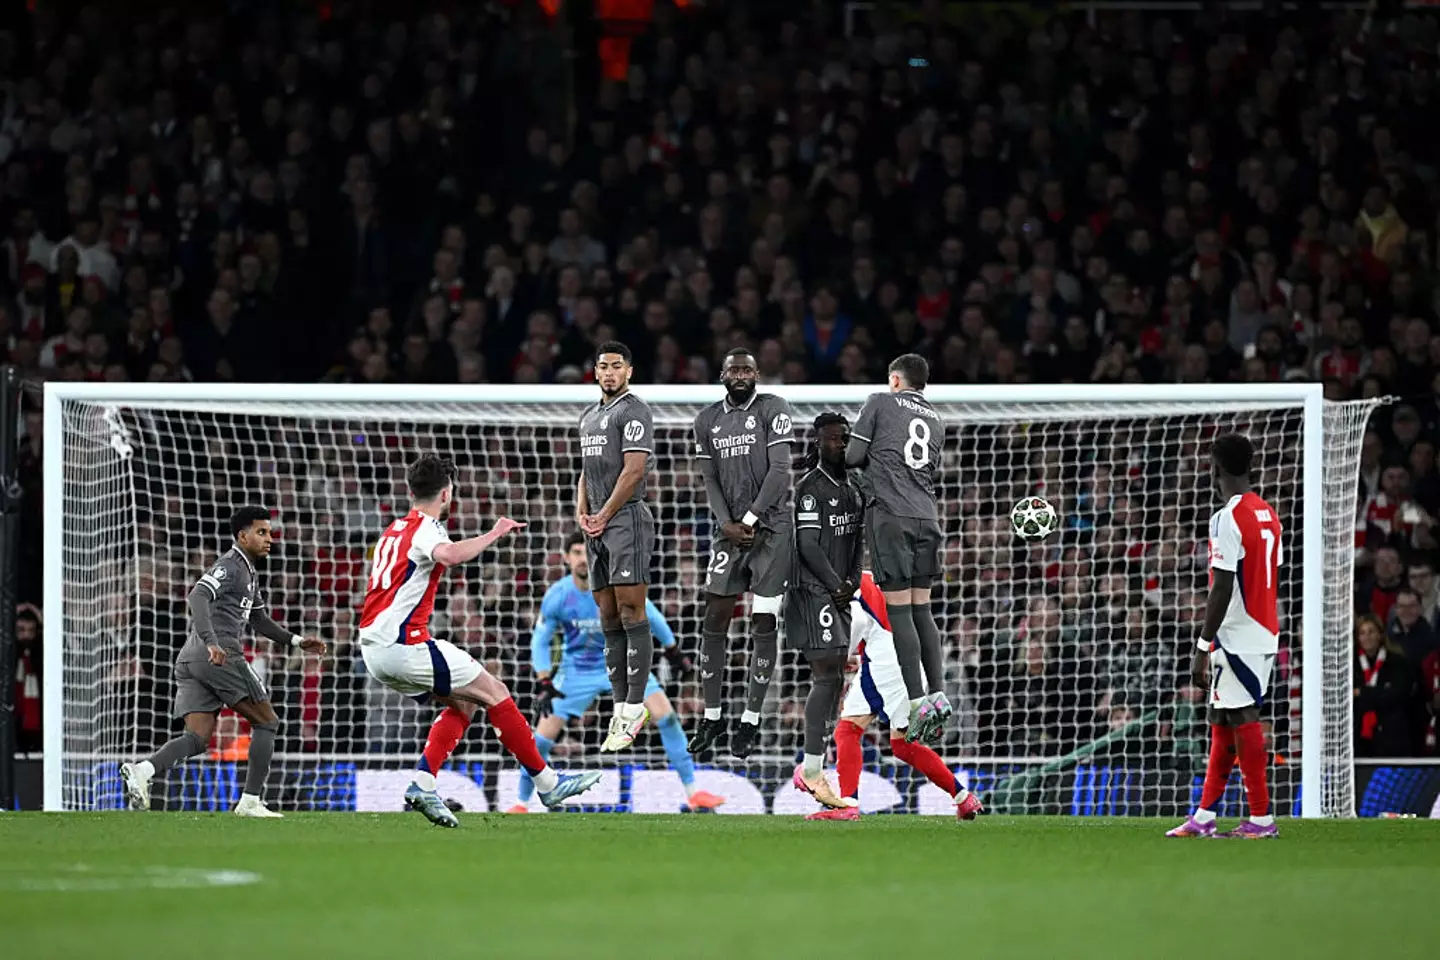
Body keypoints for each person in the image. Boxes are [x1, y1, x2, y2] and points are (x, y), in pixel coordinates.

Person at [357, 454, 600, 828]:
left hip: (374, 649)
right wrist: (495, 532)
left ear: (410, 490)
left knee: (466, 704)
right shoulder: (427, 528)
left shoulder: (394, 529)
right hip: (404, 644)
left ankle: (423, 782)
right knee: (495, 691)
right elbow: (449, 555)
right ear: (447, 493)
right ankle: (547, 783)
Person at [120, 507, 326, 818]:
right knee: (267, 721)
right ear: (242, 536)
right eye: (262, 532)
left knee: (197, 739)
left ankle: (144, 770)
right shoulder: (230, 565)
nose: (270, 538)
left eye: (270, 532)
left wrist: (296, 641)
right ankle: (251, 801)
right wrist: (213, 641)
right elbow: (197, 596)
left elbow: (260, 620)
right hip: (218, 654)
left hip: (193, 658)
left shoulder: (248, 572)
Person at [515, 532, 725, 812]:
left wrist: (673, 650)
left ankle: (693, 793)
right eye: (576, 552)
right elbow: (540, 640)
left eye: (585, 552)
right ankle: (521, 802)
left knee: (668, 718)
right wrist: (543, 679)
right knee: (540, 738)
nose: (581, 558)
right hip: (577, 670)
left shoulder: (615, 588)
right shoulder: (558, 596)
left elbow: (651, 615)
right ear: (566, 558)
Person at [1168, 433, 1282, 839]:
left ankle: (1262, 818)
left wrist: (1202, 646)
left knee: (1243, 717)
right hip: (1261, 627)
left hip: (1239, 633)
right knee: (1221, 717)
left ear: (1215, 467)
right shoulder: (1269, 514)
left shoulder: (1226, 517)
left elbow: (1222, 585)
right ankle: (1204, 816)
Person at [688, 347, 797, 759]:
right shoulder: (707, 420)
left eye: (747, 369)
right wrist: (725, 525)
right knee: (714, 616)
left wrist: (749, 520)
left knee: (763, 622)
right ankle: (713, 715)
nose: (740, 374)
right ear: (722, 374)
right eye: (733, 368)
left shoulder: (774, 408)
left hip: (770, 532)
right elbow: (709, 478)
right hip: (728, 533)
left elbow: (780, 471)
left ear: (757, 374)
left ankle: (750, 720)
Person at [808, 572, 982, 822]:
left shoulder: (847, 581)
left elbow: (856, 623)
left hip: (887, 662)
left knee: (848, 730)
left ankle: (847, 805)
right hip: (902, 658)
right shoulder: (870, 579)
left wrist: (842, 654)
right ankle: (964, 798)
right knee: (901, 745)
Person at [845, 353, 951, 743]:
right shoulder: (936, 419)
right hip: (928, 517)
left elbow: (855, 457)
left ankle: (916, 700)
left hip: (892, 517)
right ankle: (938, 693)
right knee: (923, 608)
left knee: (900, 610)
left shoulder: (880, 401)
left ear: (895, 380)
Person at [576, 340, 660, 751]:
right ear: (595, 372)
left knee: (631, 609)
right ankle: (619, 708)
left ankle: (633, 707)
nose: (609, 372)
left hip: (626, 519)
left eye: (616, 366)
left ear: (629, 371)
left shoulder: (634, 410)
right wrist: (582, 511)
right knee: (607, 615)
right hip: (596, 525)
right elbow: (586, 471)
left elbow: (634, 471)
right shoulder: (589, 416)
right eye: (603, 366)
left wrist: (604, 513)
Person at [785, 413, 862, 808]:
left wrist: (851, 584)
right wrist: (836, 585)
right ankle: (812, 769)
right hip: (812, 590)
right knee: (827, 670)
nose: (841, 445)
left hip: (840, 592)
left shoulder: (854, 486)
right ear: (818, 443)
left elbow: (857, 540)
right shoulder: (811, 489)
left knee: (834, 677)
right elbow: (809, 545)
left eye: (845, 438)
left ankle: (814, 765)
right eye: (834, 439)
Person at [1353, 614, 1419, 758]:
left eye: (1371, 632)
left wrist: (1362, 692)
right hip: (1359, 741)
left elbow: (1397, 695)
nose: (1367, 637)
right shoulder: (1351, 666)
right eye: (1362, 633)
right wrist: (1379, 693)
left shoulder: (1397, 663)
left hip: (1392, 738)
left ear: (1380, 635)